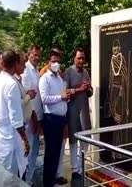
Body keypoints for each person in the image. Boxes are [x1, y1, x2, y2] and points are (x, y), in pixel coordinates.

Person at [0, 50, 29, 178]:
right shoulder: (11, 84)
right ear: (16, 63)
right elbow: (16, 119)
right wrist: (24, 139)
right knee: (9, 177)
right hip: (8, 137)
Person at [39, 50, 70, 187]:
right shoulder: (45, 78)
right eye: (53, 61)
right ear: (48, 62)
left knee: (57, 152)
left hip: (60, 120)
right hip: (51, 119)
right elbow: (44, 99)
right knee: (50, 153)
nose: (56, 64)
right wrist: (60, 97)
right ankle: (48, 183)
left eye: (58, 61)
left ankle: (53, 180)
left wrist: (66, 97)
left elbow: (62, 96)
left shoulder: (59, 78)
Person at [64, 48, 93, 179]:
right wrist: (79, 89)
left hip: (85, 110)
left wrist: (89, 89)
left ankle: (81, 167)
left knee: (86, 137)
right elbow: (65, 92)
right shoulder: (68, 72)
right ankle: (75, 169)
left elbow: (90, 92)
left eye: (83, 58)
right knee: (74, 139)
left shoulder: (86, 72)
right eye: (79, 58)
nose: (81, 60)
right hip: (73, 110)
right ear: (74, 58)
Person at [21, 44, 43, 185]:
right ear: (29, 54)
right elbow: (26, 96)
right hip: (30, 117)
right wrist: (34, 116)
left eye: (38, 55)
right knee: (27, 150)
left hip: (38, 115)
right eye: (34, 55)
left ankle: (29, 180)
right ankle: (25, 180)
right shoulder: (26, 71)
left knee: (35, 149)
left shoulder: (36, 70)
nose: (36, 57)